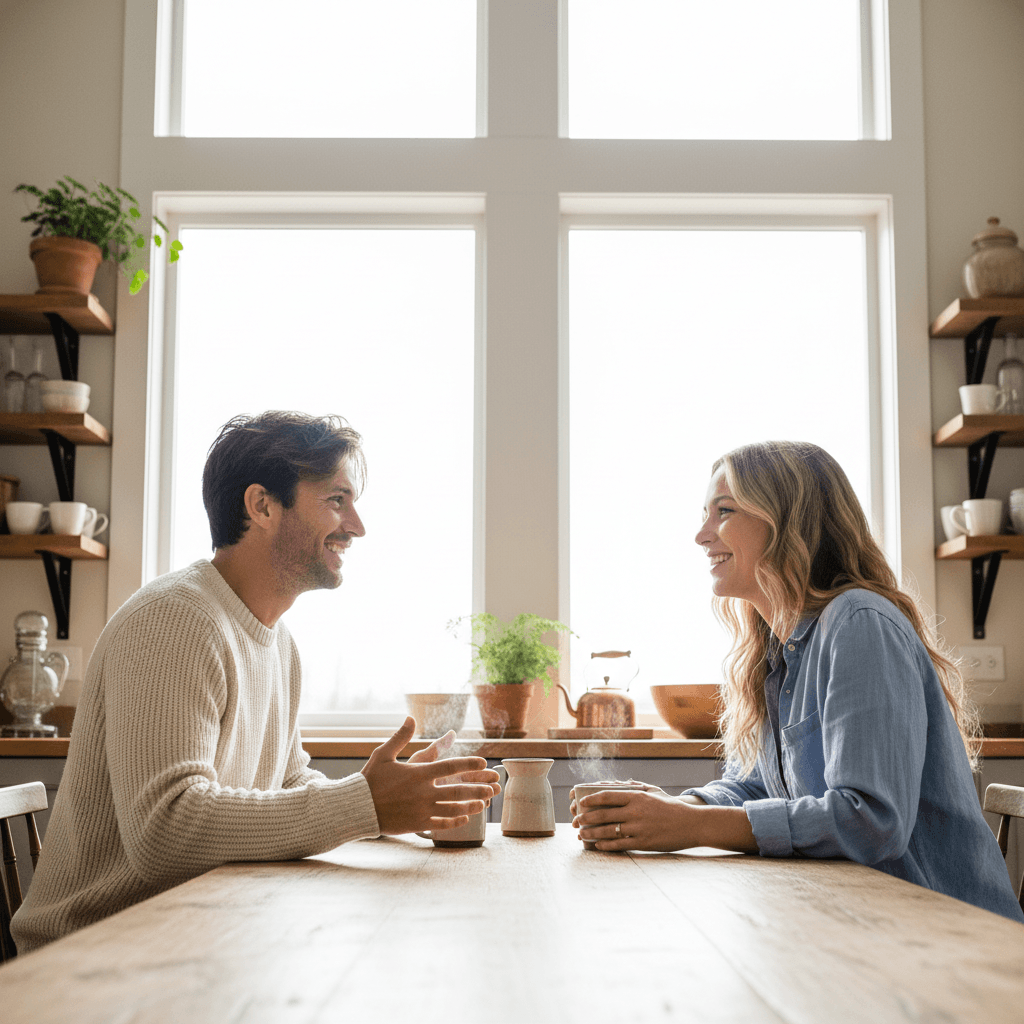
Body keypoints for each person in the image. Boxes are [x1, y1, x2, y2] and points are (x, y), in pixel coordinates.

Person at [13, 411, 500, 952]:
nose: (357, 526)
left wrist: (396, 804)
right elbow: (165, 830)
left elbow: (288, 782)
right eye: (337, 500)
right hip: (93, 961)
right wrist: (366, 805)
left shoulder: (278, 642)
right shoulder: (174, 620)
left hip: (199, 937)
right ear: (261, 505)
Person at [574, 440, 1024, 923]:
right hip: (862, 924)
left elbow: (871, 821)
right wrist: (675, 806)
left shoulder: (858, 623)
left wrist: (692, 825)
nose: (702, 536)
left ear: (789, 521)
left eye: (723, 511)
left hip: (952, 942)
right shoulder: (775, 652)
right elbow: (753, 787)